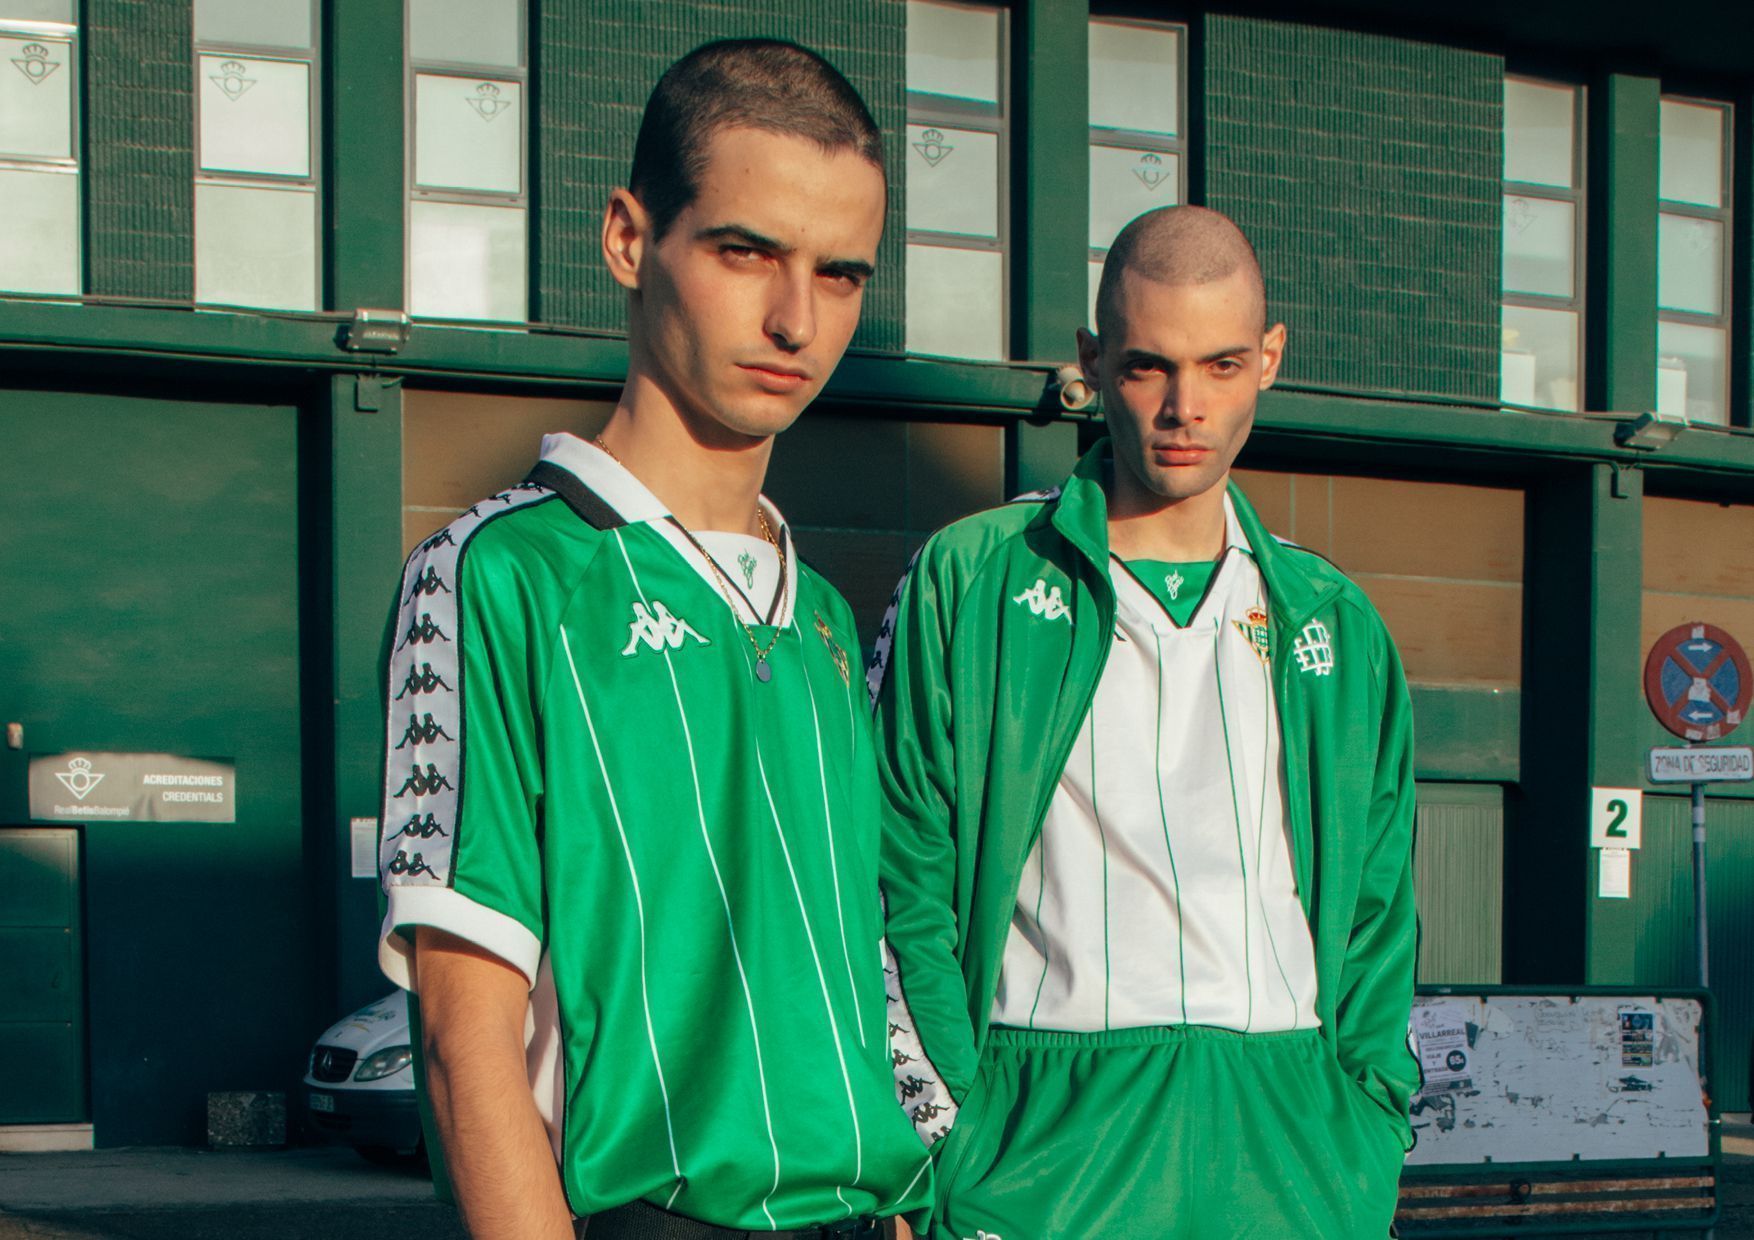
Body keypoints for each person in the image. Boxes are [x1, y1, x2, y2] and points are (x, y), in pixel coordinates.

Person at [377, 39, 932, 1240]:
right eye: (746, 252)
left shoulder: (828, 618)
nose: (795, 317)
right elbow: (460, 1036)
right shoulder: (498, 576)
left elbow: (860, 971)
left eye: (839, 275)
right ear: (631, 239)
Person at [872, 206, 1418, 1238]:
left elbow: (1378, 919)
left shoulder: (1336, 623)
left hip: (1291, 1150)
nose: (1183, 406)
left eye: (1219, 365)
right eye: (1145, 366)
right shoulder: (971, 578)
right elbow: (898, 882)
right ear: (1089, 362)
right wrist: (942, 1142)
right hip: (1041, 1144)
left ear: (1268, 359)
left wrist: (1363, 1131)